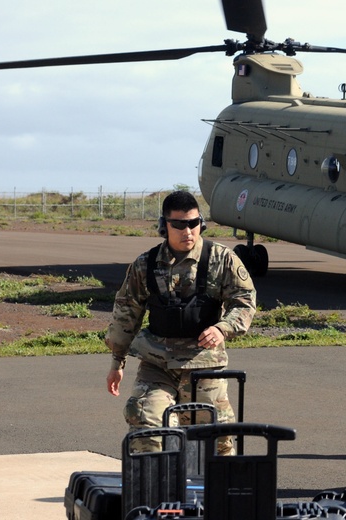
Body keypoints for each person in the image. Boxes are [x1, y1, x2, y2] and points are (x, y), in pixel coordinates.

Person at [105, 190, 256, 454]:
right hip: (157, 364)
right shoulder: (145, 264)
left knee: (216, 439)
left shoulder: (221, 259)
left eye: (193, 223)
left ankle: (217, 493)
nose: (188, 231)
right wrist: (117, 362)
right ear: (164, 226)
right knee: (146, 424)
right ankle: (155, 488)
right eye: (179, 225)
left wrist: (223, 328)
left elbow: (244, 302)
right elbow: (126, 313)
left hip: (203, 365)